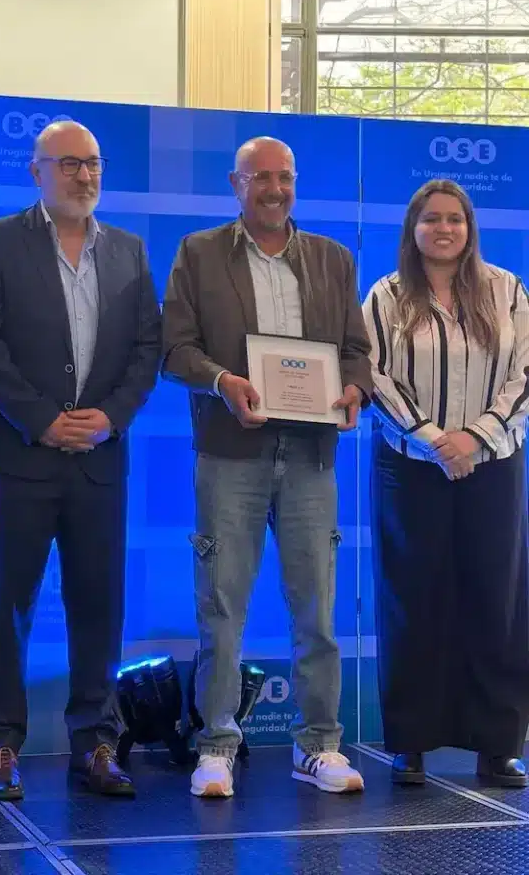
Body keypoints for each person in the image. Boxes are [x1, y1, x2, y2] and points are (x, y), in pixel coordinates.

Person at [0, 120, 161, 800]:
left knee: (98, 606)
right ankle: (1, 745)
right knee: (4, 605)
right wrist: (41, 419)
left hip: (100, 459)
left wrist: (111, 417)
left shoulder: (128, 251)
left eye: (93, 163)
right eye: (68, 164)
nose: (84, 176)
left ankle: (97, 743)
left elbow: (146, 349)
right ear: (36, 171)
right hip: (18, 455)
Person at [162, 136, 371, 798]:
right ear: (236, 183)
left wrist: (354, 390)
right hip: (231, 452)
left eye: (284, 177)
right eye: (260, 179)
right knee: (220, 605)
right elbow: (174, 350)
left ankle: (319, 746)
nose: (274, 190)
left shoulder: (334, 260)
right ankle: (217, 745)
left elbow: (358, 352)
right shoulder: (198, 254)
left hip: (311, 456)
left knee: (318, 607)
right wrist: (225, 381)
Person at [363, 178, 529, 788]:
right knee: (413, 598)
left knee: (498, 600)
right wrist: (435, 439)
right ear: (413, 228)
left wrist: (475, 437)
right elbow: (372, 374)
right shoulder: (385, 296)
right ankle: (411, 742)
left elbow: (525, 373)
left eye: (454, 219)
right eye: (431, 219)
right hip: (410, 465)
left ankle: (499, 745)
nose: (444, 229)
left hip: (494, 462)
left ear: (470, 227)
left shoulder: (508, 290)